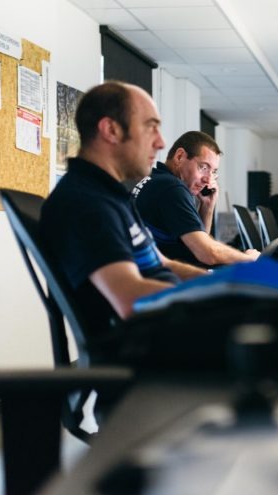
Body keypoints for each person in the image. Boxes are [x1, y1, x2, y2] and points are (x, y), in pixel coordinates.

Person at [40, 81, 207, 334]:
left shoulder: (113, 196)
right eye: (151, 127)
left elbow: (164, 264)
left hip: (171, 330)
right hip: (149, 349)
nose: (161, 143)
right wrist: (220, 297)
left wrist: (222, 282)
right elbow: (130, 299)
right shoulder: (85, 202)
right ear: (111, 130)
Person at [132, 131, 260, 267]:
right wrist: (247, 258)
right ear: (179, 157)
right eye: (203, 167)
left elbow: (197, 245)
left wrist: (207, 206)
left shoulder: (157, 179)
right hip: (164, 280)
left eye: (213, 171)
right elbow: (207, 254)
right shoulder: (172, 188)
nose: (208, 179)